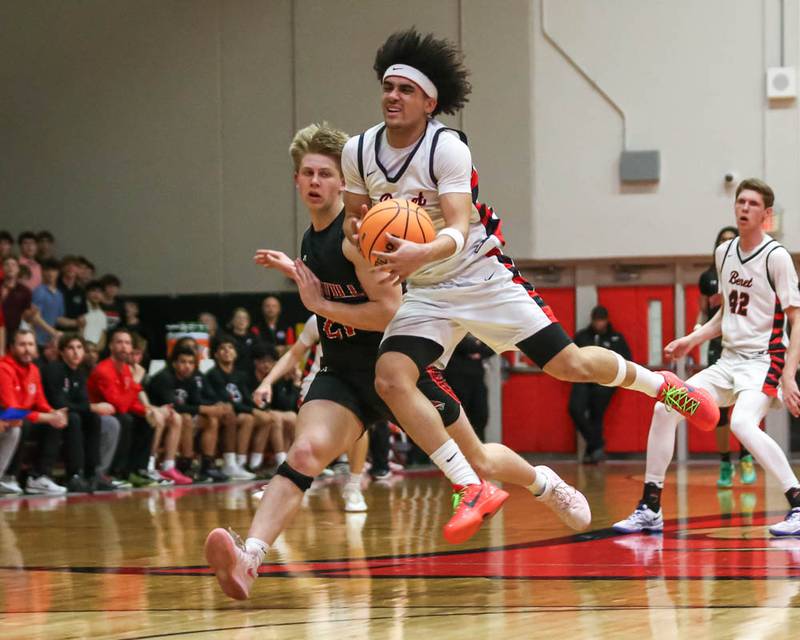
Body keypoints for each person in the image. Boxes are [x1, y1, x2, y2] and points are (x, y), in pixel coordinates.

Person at [340, 29, 717, 532]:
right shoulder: (359, 150)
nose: (392, 96)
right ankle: (470, 485)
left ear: (430, 101)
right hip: (428, 291)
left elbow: (455, 223)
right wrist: (367, 234)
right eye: (388, 86)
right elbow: (352, 219)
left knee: (570, 364)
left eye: (406, 89)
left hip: (479, 274)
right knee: (389, 376)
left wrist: (419, 251)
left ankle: (661, 386)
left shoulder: (446, 148)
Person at [204, 123, 590, 601]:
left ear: (343, 181)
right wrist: (304, 280)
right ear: (296, 180)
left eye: (327, 173)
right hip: (343, 374)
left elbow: (388, 311)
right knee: (303, 454)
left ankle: (545, 484)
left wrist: (319, 304)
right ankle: (251, 558)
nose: (317, 182)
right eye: (308, 173)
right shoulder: (312, 238)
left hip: (398, 369)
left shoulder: (359, 236)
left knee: (481, 459)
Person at [613, 179, 800, 536]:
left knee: (743, 424)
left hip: (764, 360)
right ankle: (650, 506)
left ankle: (798, 501)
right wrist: (692, 338)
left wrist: (789, 375)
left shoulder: (776, 257)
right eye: (740, 201)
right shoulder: (724, 253)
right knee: (665, 406)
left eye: (752, 204)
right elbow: (726, 313)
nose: (744, 208)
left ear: (767, 214)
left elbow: (796, 318)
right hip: (727, 361)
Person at [697, 226, 755, 487]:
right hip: (717, 344)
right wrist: (696, 335)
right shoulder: (708, 277)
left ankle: (745, 457)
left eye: (732, 240)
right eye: (723, 241)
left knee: (744, 405)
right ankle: (724, 461)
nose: (728, 245)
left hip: (744, 345)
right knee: (719, 410)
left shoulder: (750, 274)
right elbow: (703, 313)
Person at [42, 334, 116, 492]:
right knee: (75, 418)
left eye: (79, 348)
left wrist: (91, 409)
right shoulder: (54, 369)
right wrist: (93, 407)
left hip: (66, 415)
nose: (76, 352)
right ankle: (74, 475)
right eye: (70, 348)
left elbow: (82, 402)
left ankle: (93, 473)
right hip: (48, 416)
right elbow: (59, 403)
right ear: (62, 352)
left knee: (93, 418)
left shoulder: (80, 373)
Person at [146, 345, 230, 483]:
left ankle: (207, 466)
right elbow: (173, 406)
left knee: (211, 419)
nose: (187, 366)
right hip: (153, 417)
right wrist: (204, 409)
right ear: (174, 363)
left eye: (191, 363)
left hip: (175, 418)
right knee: (185, 418)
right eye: (183, 362)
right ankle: (186, 465)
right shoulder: (164, 377)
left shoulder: (190, 378)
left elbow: (195, 401)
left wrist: (215, 407)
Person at [0, 328, 68, 494]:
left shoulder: (34, 370)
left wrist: (54, 413)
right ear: (12, 347)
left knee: (55, 422)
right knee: (21, 424)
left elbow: (40, 402)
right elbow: (11, 411)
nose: (27, 349)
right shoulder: (4, 368)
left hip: (17, 418)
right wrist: (46, 417)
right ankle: (9, 476)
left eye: (30, 344)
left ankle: (39, 477)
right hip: (6, 418)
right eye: (22, 344)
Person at [87, 327, 156, 487]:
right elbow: (120, 405)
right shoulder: (104, 370)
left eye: (127, 343)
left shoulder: (124, 368)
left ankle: (137, 470)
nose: (124, 347)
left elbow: (130, 400)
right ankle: (115, 472)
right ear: (111, 346)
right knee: (125, 419)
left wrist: (148, 410)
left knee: (146, 419)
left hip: (116, 412)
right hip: (98, 416)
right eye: (119, 342)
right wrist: (136, 381)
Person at [569, 306, 632, 463]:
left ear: (607, 320)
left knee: (597, 415)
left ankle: (593, 452)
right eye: (597, 320)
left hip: (606, 381)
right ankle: (596, 444)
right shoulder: (582, 336)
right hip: (583, 379)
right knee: (575, 409)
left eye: (601, 320)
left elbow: (626, 360)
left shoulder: (616, 337)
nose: (599, 324)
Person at [205, 334, 270, 481]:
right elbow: (226, 401)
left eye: (230, 348)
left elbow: (247, 398)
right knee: (244, 417)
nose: (227, 351)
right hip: (222, 414)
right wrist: (253, 411)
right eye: (222, 348)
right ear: (215, 354)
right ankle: (231, 463)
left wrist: (260, 410)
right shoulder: (213, 374)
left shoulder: (240, 375)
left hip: (239, 412)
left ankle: (248, 464)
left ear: (235, 353)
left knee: (268, 418)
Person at [444, 334, 494, 442]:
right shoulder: (454, 326)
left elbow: (493, 347)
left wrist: (479, 348)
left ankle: (481, 450)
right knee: (458, 418)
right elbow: (463, 345)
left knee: (481, 416)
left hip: (477, 379)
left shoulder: (480, 326)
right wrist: (479, 345)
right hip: (454, 378)